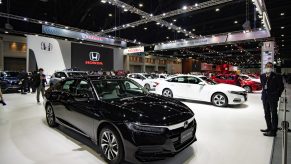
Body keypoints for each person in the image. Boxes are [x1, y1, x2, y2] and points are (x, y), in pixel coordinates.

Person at [260, 62, 284, 137]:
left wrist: (276, 95)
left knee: (273, 113)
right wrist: (263, 95)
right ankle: (269, 128)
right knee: (266, 112)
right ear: (265, 67)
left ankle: (273, 131)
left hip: (273, 98)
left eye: (270, 66)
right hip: (265, 97)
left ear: (272, 67)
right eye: (267, 66)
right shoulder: (262, 76)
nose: (269, 67)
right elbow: (264, 87)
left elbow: (281, 87)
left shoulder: (277, 76)